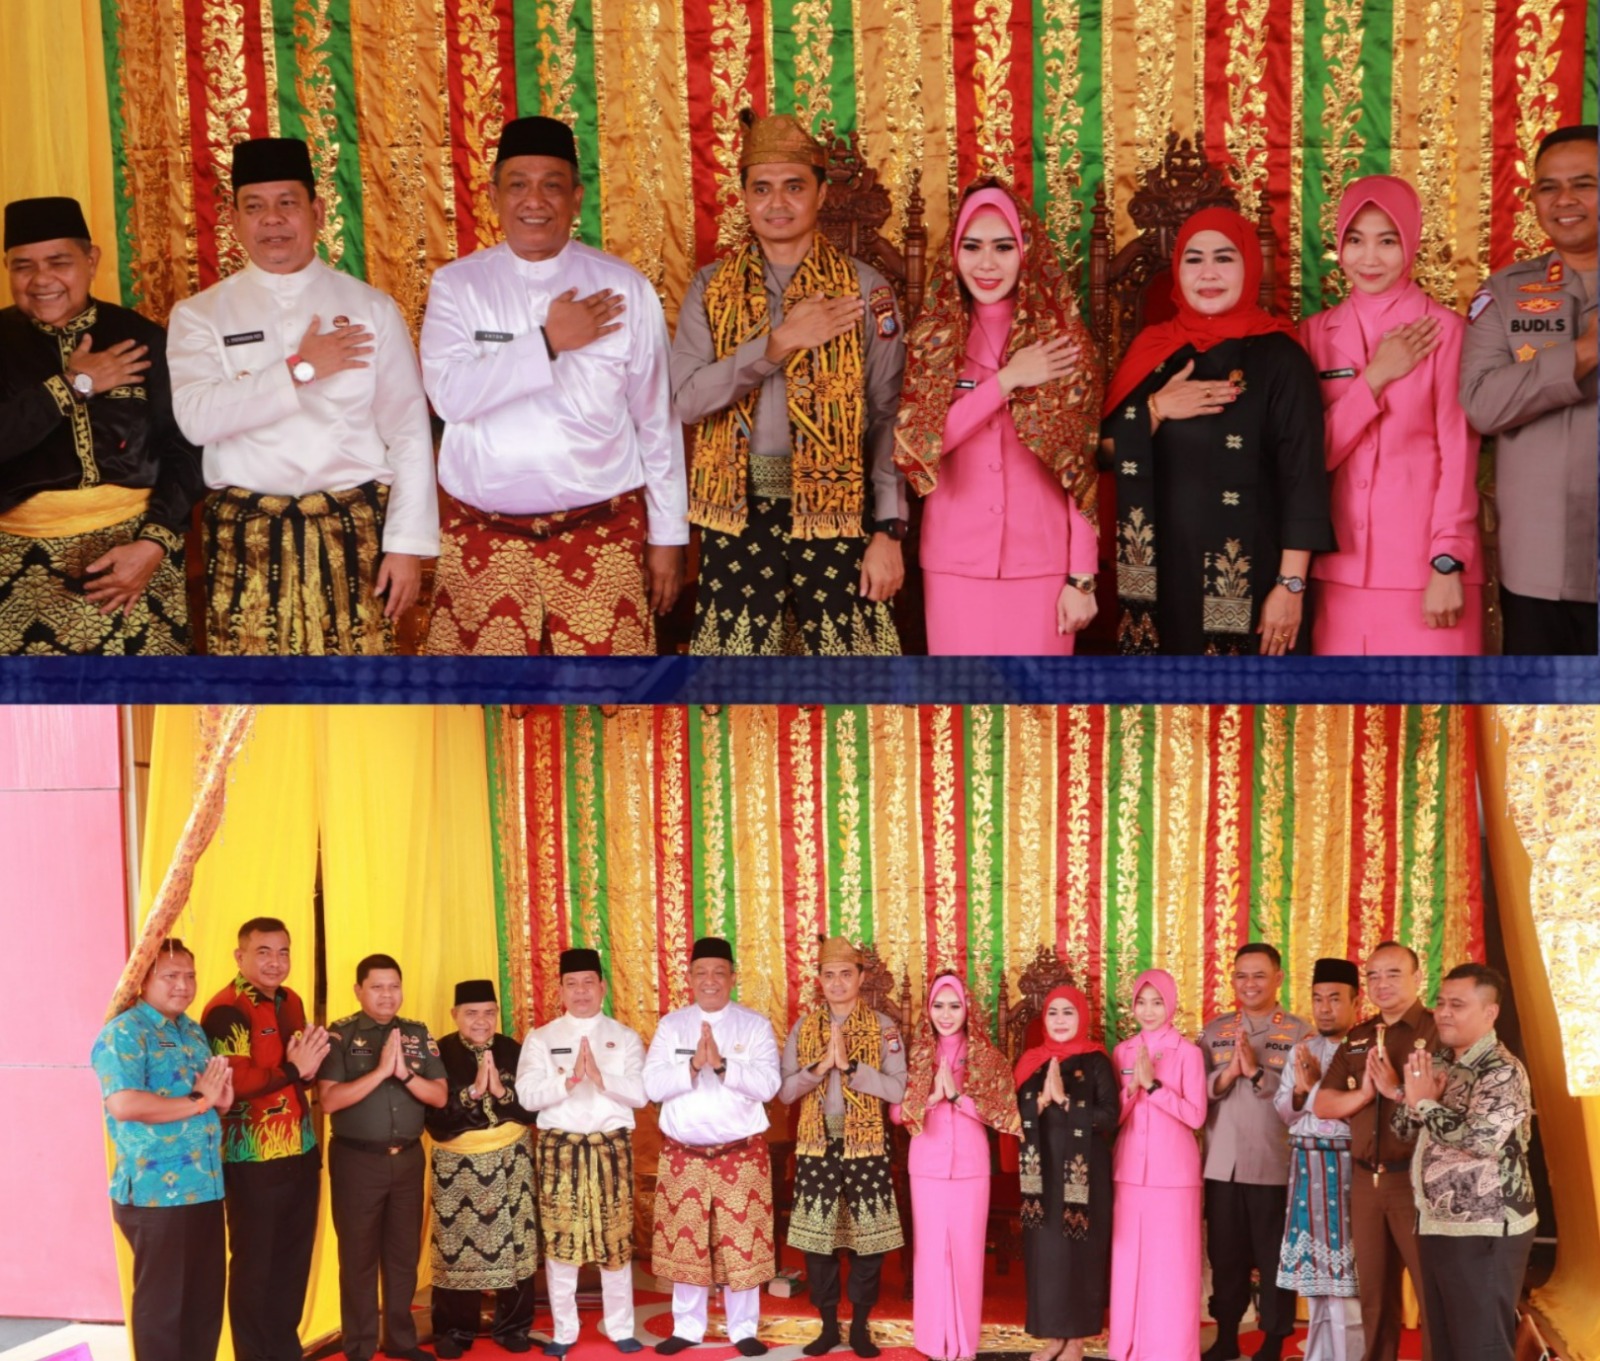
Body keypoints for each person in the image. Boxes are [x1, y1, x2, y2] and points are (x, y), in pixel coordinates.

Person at [419, 115, 686, 655]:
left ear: (576, 197)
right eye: (518, 184)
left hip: (601, 532)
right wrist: (546, 342)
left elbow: (656, 421)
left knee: (605, 699)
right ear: (494, 196)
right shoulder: (457, 286)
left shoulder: (624, 288)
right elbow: (450, 397)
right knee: (487, 701)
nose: (534, 201)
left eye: (552, 185)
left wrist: (669, 536)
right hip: (482, 535)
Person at [167, 136, 438, 655]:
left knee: (358, 687)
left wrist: (407, 545)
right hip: (246, 537)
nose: (272, 219)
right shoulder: (200, 315)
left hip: (353, 534)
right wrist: (301, 369)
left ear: (315, 211)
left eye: (287, 203)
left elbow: (407, 431)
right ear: (234, 220)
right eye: (254, 207)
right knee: (254, 688)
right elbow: (198, 420)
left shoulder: (371, 308)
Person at [670, 110, 907, 656]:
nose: (777, 202)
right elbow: (688, 401)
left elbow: (887, 415)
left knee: (845, 687)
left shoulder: (865, 291)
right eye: (762, 188)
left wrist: (888, 529)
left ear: (821, 194)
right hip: (736, 514)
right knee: (740, 689)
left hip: (839, 517)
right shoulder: (710, 289)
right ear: (745, 198)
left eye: (794, 186)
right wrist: (777, 344)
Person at [1102, 206, 1335, 654]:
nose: (1208, 273)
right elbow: (1102, 452)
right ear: (1178, 269)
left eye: (1224, 258)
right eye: (1194, 259)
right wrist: (1156, 409)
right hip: (1159, 580)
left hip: (1253, 580)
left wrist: (1290, 586)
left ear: (1249, 267)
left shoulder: (1280, 358)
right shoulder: (1155, 350)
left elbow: (1303, 479)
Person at [894, 179, 1103, 654]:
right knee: (962, 700)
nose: (986, 263)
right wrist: (1007, 381)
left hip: (1044, 565)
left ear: (1026, 250)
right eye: (972, 246)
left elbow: (1080, 470)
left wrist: (1082, 576)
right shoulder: (933, 337)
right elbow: (920, 444)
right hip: (955, 562)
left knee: (1038, 701)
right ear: (954, 252)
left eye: (1003, 247)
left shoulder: (1061, 341)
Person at [0, 195, 200, 654]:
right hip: (19, 568)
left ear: (91, 260)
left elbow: (186, 445)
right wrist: (73, 386)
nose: (41, 279)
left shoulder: (141, 338)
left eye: (59, 262)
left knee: (143, 691)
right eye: (23, 266)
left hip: (137, 561)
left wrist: (155, 543)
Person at [1301, 176, 1484, 654]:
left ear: (1411, 242)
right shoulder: (1313, 335)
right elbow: (1309, 457)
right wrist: (1375, 377)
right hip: (1338, 573)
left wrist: (1448, 561)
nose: (1369, 258)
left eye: (1387, 241)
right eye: (1355, 240)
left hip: (1427, 573)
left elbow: (1459, 457)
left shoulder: (1445, 332)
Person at [1460, 124, 1598, 655]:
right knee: (1541, 706)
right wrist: (1582, 353)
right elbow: (1482, 405)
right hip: (1540, 565)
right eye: (1549, 187)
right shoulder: (1504, 293)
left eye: (1584, 184)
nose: (1565, 200)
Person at [90, 939, 230, 1361]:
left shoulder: (191, 1030)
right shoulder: (125, 1032)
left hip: (205, 1187)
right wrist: (200, 1101)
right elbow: (124, 1103)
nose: (183, 985)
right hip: (156, 1195)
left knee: (203, 1308)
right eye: (170, 976)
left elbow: (205, 1095)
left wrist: (219, 1100)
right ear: (143, 980)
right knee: (163, 1312)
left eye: (189, 976)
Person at [644, 937, 781, 1357]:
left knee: (742, 1245)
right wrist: (691, 1065)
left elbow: (769, 1086)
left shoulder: (753, 1025)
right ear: (689, 978)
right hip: (684, 1154)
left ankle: (743, 1330)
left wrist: (722, 1065)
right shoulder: (672, 1026)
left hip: (740, 1154)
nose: (710, 981)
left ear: (733, 977)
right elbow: (652, 1086)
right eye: (701, 973)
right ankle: (687, 1327)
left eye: (719, 973)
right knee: (686, 1244)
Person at [201, 918, 330, 1361]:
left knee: (292, 1267)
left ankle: (285, 1352)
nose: (275, 962)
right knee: (255, 1271)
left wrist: (310, 1068)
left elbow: (301, 1072)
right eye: (263, 952)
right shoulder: (227, 1009)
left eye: (283, 952)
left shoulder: (291, 1000)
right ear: (240, 957)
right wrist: (295, 1069)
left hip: (301, 1150)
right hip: (252, 1159)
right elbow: (235, 1082)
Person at [1394, 964, 1537, 1361]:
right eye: (1440, 1003)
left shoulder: (1502, 1069)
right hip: (1436, 1223)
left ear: (1490, 1012)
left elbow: (1480, 1140)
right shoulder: (1441, 1060)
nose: (1443, 1013)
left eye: (1456, 1005)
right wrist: (1415, 1101)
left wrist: (1425, 1103)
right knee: (1446, 1345)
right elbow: (1402, 1130)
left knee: (1481, 1347)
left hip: (1485, 1226)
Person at [515, 948, 649, 1356]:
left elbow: (641, 1094)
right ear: (560, 990)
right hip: (561, 1151)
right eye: (571, 984)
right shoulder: (542, 1038)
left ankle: (621, 1327)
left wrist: (600, 1078)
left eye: (588, 982)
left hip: (610, 1149)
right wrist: (570, 1082)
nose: (581, 991)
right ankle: (564, 1331)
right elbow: (527, 1096)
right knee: (561, 1242)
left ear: (602, 987)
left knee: (615, 1240)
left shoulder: (624, 1036)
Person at [778, 937, 907, 1358]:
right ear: (819, 980)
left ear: (861, 977)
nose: (837, 983)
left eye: (846, 974)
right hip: (817, 1145)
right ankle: (829, 1326)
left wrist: (851, 1066)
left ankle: (861, 1327)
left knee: (869, 1243)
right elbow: (785, 1092)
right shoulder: (804, 1027)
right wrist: (820, 1068)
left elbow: (898, 1089)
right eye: (829, 975)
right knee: (818, 1243)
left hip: (866, 1146)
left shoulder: (885, 1027)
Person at [319, 954, 449, 1361]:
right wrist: (379, 1071)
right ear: (359, 990)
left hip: (407, 1159)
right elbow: (329, 1100)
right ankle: (359, 1347)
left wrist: (405, 1073)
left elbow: (439, 1096)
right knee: (358, 1258)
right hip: (357, 1161)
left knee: (402, 1256)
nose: (387, 995)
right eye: (377, 987)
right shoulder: (340, 1036)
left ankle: (400, 1340)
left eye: (394, 986)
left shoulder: (416, 1034)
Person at [1314, 940, 1439, 1361]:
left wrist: (1395, 1089)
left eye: (1393, 974)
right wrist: (1366, 1094)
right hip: (1366, 1181)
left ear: (1417, 978)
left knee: (1432, 1291)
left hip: (1417, 1183)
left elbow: (1447, 1106)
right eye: (1373, 975)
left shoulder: (1436, 1031)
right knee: (1374, 1295)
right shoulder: (1359, 1037)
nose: (1381, 983)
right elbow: (1323, 1103)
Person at [891, 973, 1020, 1361]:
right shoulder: (917, 1054)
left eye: (954, 1006)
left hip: (970, 1167)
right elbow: (896, 1112)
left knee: (966, 1254)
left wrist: (959, 1097)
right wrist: (932, 1098)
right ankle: (932, 1340)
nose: (945, 1015)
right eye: (938, 1006)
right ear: (928, 1010)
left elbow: (1002, 1112)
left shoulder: (985, 1056)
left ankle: (964, 1343)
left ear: (967, 1010)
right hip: (927, 1166)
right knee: (930, 1254)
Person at [1197, 944, 1312, 1361]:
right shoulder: (1215, 1031)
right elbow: (1196, 1095)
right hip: (1222, 1167)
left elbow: (1304, 1099)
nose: (1249, 984)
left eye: (1259, 975)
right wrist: (1227, 1075)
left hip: (1273, 1166)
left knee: (1274, 1259)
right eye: (1241, 975)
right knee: (1225, 1258)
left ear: (1278, 978)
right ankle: (1227, 1335)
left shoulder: (1300, 1033)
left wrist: (1256, 1073)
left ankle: (1273, 1341)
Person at [425, 980, 540, 1357]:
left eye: (489, 1013)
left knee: (517, 1245)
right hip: (457, 1165)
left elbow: (533, 1109)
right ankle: (455, 1331)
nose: (481, 1021)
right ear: (455, 1014)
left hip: (511, 1159)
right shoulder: (438, 1053)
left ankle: (513, 1327)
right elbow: (432, 1117)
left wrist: (502, 1093)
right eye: (471, 1013)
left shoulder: (513, 1050)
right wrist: (472, 1093)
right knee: (457, 1249)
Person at [1012, 984, 1117, 1361]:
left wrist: (1066, 1102)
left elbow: (1110, 1117)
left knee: (1081, 1252)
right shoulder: (1031, 1062)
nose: (1059, 1020)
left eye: (1067, 1012)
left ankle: (1077, 1339)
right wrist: (1041, 1101)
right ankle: (1053, 1336)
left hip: (1083, 1174)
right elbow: (1010, 1115)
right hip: (1041, 1173)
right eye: (1053, 1013)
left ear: (1081, 1017)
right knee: (1047, 1255)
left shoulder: (1096, 1061)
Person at [1107, 968, 1207, 1361]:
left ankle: (1172, 1350)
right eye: (1141, 1002)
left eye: (1157, 1002)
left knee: (1172, 1266)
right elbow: (1112, 1118)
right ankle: (1127, 1346)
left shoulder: (1188, 1053)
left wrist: (1154, 1087)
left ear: (1171, 1005)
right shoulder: (1123, 1052)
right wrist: (1131, 1090)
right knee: (1129, 1261)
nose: (1148, 1011)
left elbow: (1196, 1115)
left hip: (1175, 1176)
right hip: (1129, 1171)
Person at [1272, 959, 1363, 1361]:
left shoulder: (1364, 1050)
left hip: (1345, 1170)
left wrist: (1314, 1092)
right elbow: (1284, 1111)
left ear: (1356, 1002)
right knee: (1318, 1287)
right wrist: (1299, 1093)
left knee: (1348, 1287)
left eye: (1335, 999)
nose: (1325, 1008)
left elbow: (1365, 1114)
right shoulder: (1302, 1049)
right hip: (1306, 1169)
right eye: (1318, 999)